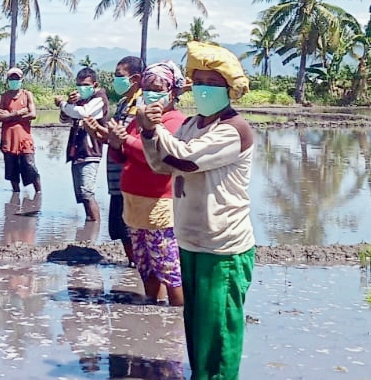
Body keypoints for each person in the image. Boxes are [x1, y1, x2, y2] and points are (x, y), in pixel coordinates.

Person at [139, 41, 254, 380]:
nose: (204, 89)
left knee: (218, 337)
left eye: (213, 83)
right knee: (198, 333)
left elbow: (185, 160)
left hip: (222, 248)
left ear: (230, 89)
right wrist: (150, 135)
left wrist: (154, 128)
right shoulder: (192, 124)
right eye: (200, 81)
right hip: (190, 241)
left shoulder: (233, 130)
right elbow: (163, 164)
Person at [106, 62, 187, 306]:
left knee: (170, 270)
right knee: (146, 267)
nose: (150, 93)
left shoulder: (174, 121)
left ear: (172, 92)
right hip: (134, 205)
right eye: (147, 88)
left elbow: (155, 157)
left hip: (159, 206)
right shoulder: (139, 118)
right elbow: (122, 156)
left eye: (157, 88)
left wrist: (126, 141)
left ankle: (176, 317)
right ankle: (152, 310)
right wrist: (114, 142)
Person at [84, 55, 143, 267]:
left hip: (131, 179)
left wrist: (103, 133)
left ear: (135, 78)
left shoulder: (140, 105)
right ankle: (133, 265)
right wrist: (96, 130)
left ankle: (139, 268)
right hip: (117, 178)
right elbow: (115, 138)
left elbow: (129, 140)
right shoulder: (124, 103)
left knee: (130, 228)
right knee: (119, 228)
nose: (116, 80)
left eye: (120, 76)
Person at [56, 67, 108, 223]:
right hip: (77, 152)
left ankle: (94, 225)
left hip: (90, 152)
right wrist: (69, 104)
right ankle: (89, 223)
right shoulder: (81, 101)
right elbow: (64, 119)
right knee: (81, 194)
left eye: (85, 84)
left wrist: (63, 104)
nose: (81, 88)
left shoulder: (100, 99)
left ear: (94, 84)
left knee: (87, 192)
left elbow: (82, 113)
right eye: (79, 85)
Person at [0, 67, 41, 193]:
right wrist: (21, 113)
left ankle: (39, 194)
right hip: (9, 140)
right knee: (12, 172)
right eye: (11, 78)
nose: (14, 81)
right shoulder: (4, 96)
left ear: (22, 80)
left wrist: (9, 116)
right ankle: (15, 195)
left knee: (30, 167)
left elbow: (32, 114)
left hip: (24, 139)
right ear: (8, 80)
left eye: (16, 78)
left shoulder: (27, 95)